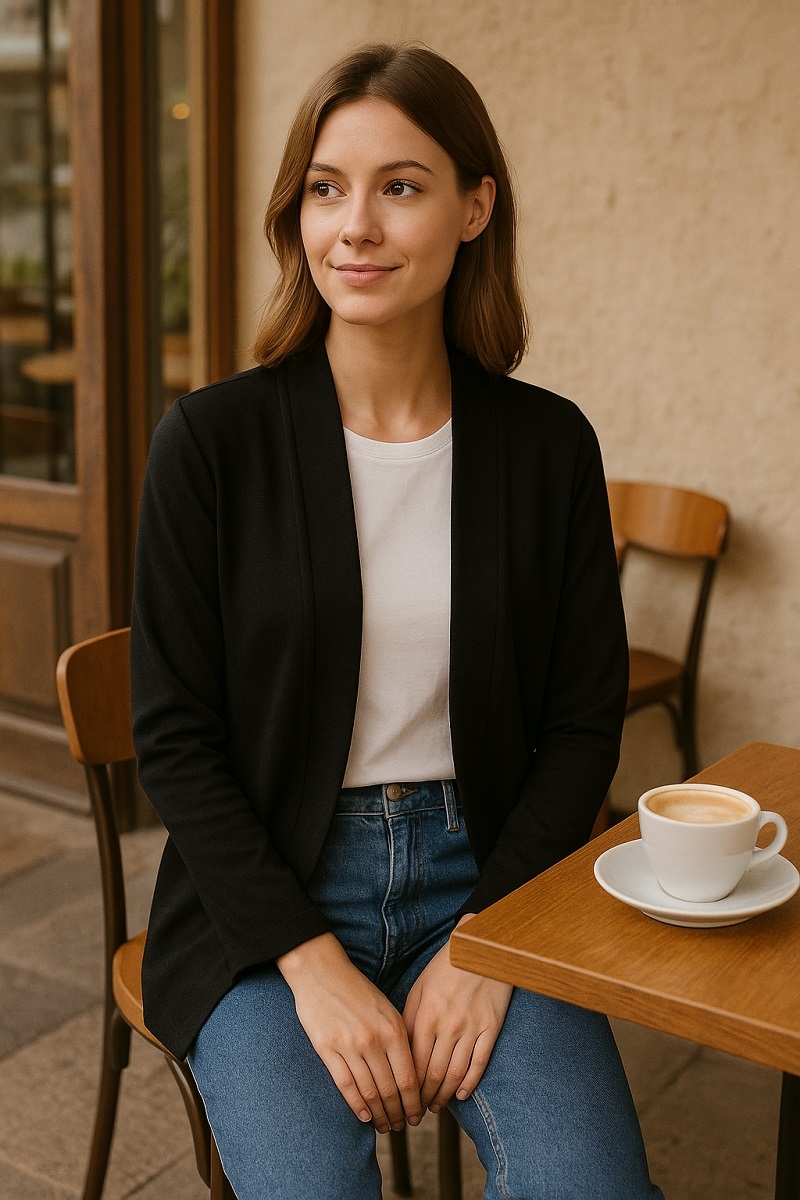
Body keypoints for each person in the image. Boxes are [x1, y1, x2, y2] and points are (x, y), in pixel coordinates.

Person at [131, 42, 663, 1200]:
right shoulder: (212, 444)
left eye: (400, 185)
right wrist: (309, 962)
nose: (354, 226)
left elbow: (580, 725)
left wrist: (483, 939)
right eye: (326, 187)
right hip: (264, 901)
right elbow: (173, 737)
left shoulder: (545, 445)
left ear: (475, 207)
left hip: (489, 879)